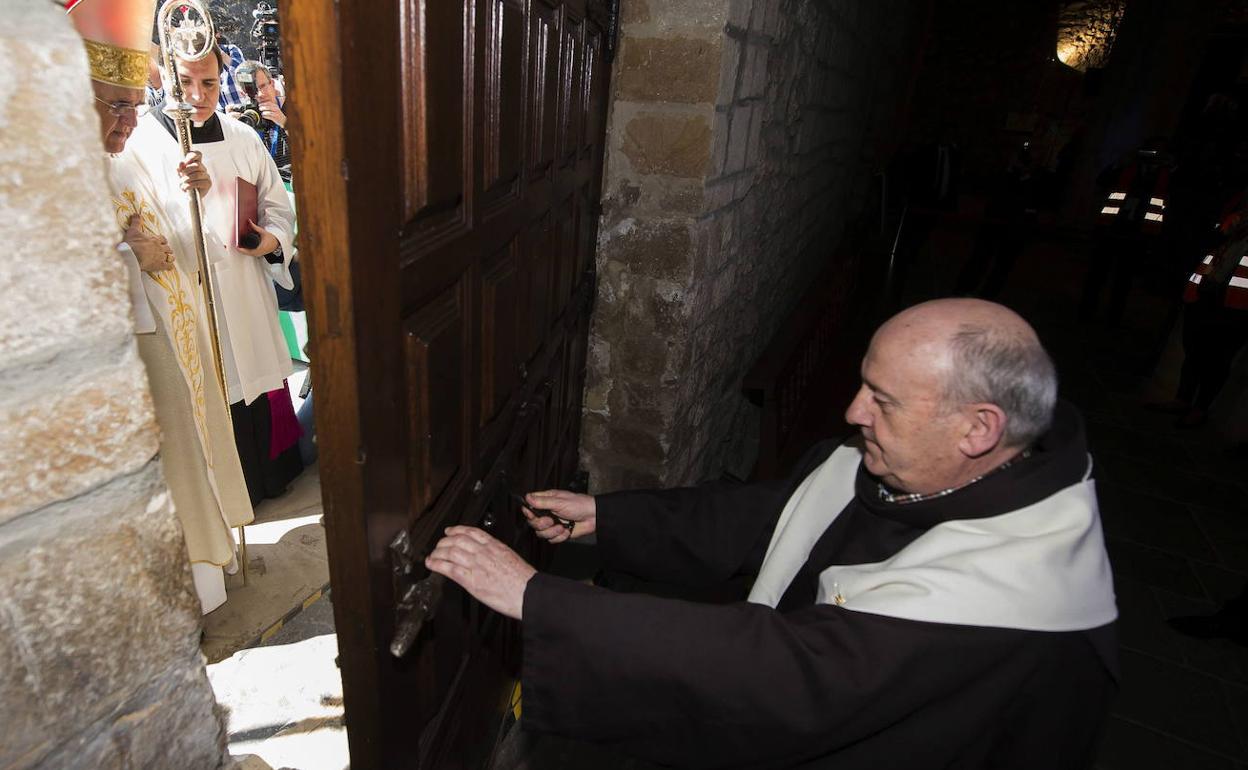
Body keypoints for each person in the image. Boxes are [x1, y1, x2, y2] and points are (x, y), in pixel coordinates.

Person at [426, 298, 1119, 769]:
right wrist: (609, 517)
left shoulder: (1009, 595)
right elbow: (763, 519)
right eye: (863, 386)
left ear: (979, 429)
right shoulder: (926, 467)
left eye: (883, 401)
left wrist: (541, 602)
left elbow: (783, 671)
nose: (853, 412)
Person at [67, 0, 254, 614]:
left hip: (172, 332)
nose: (129, 120)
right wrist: (124, 253)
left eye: (132, 104)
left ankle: (210, 575)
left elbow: (173, 236)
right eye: (116, 105)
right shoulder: (56, 170)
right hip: (133, 353)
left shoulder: (121, 157)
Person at [130, 43, 303, 505]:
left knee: (254, 375)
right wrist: (195, 197)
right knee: (212, 386)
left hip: (245, 287)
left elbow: (276, 207)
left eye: (208, 83)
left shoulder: (241, 136)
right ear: (165, 77)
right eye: (185, 82)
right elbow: (139, 220)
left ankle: (270, 477)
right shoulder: (141, 144)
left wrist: (271, 242)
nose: (198, 95)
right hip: (189, 291)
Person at [228, 60, 291, 182]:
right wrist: (229, 130)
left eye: (263, 86)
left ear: (272, 84)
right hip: (259, 184)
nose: (260, 94)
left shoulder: (293, 108)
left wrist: (285, 123)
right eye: (253, 91)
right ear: (243, 94)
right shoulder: (246, 117)